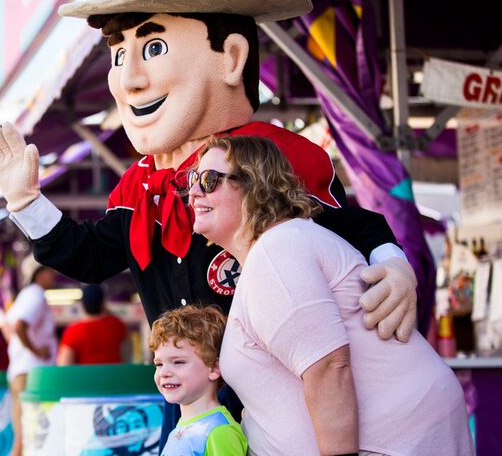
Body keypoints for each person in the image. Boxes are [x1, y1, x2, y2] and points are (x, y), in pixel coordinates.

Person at [0, 0, 418, 446]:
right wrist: (25, 201)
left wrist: (392, 262)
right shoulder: (138, 186)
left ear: (231, 58)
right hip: (193, 415)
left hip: (286, 415)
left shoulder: (267, 158)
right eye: (119, 53)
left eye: (153, 47)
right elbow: (91, 256)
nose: (130, 78)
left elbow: (345, 226)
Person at [187, 134, 473, 455]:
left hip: (396, 442)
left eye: (210, 180)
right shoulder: (276, 249)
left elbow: (329, 369)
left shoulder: (277, 250)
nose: (194, 191)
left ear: (255, 185)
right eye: (191, 179)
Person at [149, 305, 246, 456]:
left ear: (213, 368)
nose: (164, 372)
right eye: (159, 364)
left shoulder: (219, 431)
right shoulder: (180, 427)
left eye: (178, 362)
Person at [4, 256, 57, 456]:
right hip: (31, 372)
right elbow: (18, 326)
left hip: (22, 370)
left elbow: (8, 325)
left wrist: (17, 349)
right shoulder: (35, 295)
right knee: (29, 435)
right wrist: (35, 350)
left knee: (23, 435)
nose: (54, 275)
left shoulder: (25, 295)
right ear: (39, 273)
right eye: (50, 270)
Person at [57, 284, 127, 365]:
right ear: (102, 303)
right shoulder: (117, 325)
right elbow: (126, 356)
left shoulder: (73, 331)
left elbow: (65, 365)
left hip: (85, 377)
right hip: (114, 376)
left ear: (83, 304)